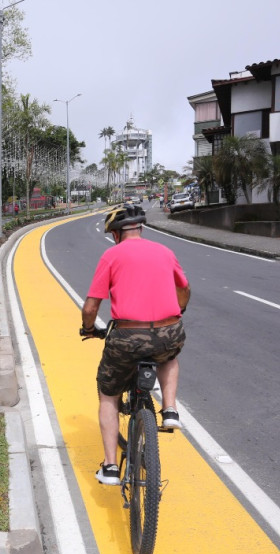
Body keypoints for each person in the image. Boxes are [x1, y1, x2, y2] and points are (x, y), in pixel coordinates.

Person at [80, 204, 191, 486]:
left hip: (127, 339)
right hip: (169, 331)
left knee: (108, 395)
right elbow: (184, 290)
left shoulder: (111, 255)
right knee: (169, 357)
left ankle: (110, 467)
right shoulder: (165, 252)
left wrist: (89, 329)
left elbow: (92, 305)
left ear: (116, 234)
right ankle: (169, 410)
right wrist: (177, 312)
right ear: (140, 228)